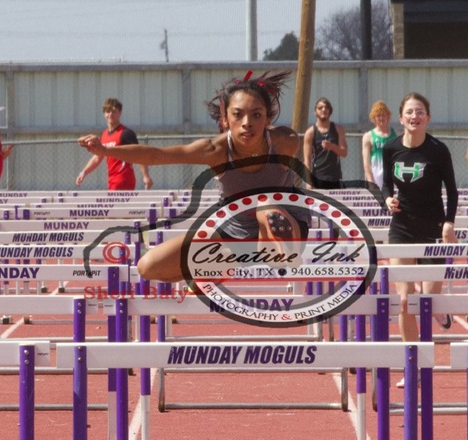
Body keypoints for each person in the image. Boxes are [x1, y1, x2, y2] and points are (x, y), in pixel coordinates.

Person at [78, 71, 308, 283]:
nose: (247, 123)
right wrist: (106, 151)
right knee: (148, 266)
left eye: (256, 115)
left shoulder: (284, 142)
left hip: (284, 218)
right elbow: (157, 155)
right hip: (234, 231)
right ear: (225, 120)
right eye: (238, 115)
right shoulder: (214, 151)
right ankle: (229, 261)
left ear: (268, 119)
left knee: (265, 206)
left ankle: (284, 252)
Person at [381, 93, 458, 386]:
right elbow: (385, 183)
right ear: (401, 118)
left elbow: (452, 190)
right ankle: (412, 365)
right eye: (410, 112)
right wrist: (386, 198)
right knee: (404, 301)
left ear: (428, 117)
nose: (415, 116)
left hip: (432, 228)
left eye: (420, 112)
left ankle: (440, 311)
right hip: (401, 228)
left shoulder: (438, 150)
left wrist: (449, 223)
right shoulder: (390, 148)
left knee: (428, 299)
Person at [76, 98, 153, 190]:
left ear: (119, 113)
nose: (110, 114)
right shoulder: (104, 134)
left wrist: (145, 176)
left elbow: (139, 155)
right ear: (104, 114)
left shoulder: (125, 133)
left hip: (124, 180)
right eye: (108, 112)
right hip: (112, 180)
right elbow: (97, 157)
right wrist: (84, 172)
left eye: (114, 112)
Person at [302, 97, 348, 189]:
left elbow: (344, 152)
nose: (324, 110)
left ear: (330, 111)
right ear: (315, 112)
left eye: (326, 107)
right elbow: (307, 159)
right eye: (320, 108)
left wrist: (331, 146)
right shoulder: (310, 132)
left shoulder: (338, 129)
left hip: (335, 178)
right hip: (318, 178)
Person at [361, 100, 397, 189]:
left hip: (393, 174)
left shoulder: (396, 134)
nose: (381, 118)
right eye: (378, 116)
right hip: (376, 175)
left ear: (388, 116)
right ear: (374, 118)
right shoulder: (368, 136)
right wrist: (371, 181)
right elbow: (366, 162)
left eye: (383, 115)